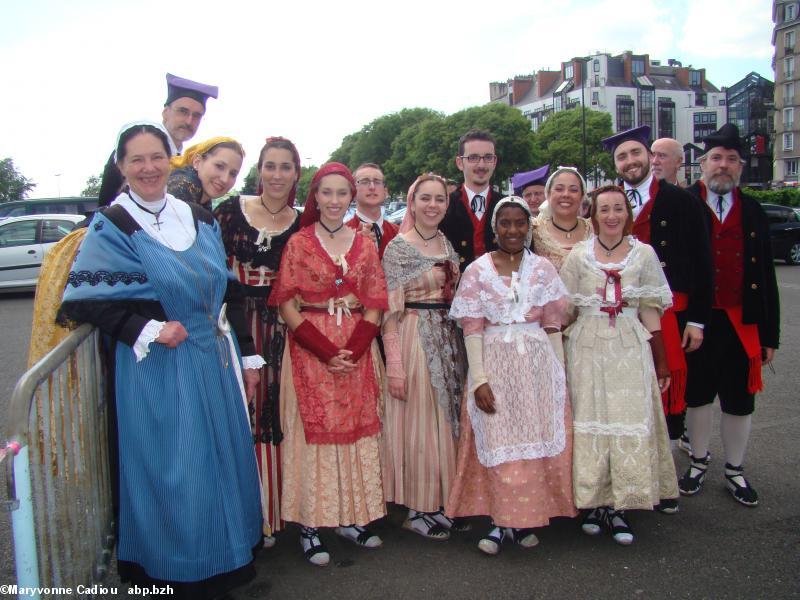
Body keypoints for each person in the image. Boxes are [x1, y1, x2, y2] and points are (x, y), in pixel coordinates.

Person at [57, 121, 262, 599]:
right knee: (177, 472)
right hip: (156, 368)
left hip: (211, 362)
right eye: (137, 160)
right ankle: (175, 573)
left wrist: (248, 354)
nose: (148, 168)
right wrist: (148, 329)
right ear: (121, 166)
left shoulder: (199, 217)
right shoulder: (113, 223)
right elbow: (85, 301)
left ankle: (222, 563)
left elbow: (228, 290)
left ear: (170, 160)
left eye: (156, 157)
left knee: (218, 465)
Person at [269, 162, 388, 567]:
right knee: (312, 436)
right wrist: (324, 350)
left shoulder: (366, 243)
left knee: (353, 434)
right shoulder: (299, 243)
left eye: (342, 193)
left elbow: (375, 303)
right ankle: (310, 526)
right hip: (310, 348)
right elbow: (287, 304)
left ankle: (350, 518)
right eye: (327, 192)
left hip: (356, 348)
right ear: (315, 197)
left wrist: (353, 351)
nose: (334, 201)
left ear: (351, 196)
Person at [447, 196, 576, 555]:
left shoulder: (543, 269)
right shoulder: (477, 271)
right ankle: (499, 522)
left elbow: (552, 325)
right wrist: (479, 380)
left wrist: (559, 376)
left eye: (520, 222)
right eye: (505, 223)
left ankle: (523, 521)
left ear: (529, 227)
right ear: (495, 228)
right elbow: (472, 329)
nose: (513, 230)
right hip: (496, 366)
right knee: (498, 442)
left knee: (532, 443)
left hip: (536, 367)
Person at [559, 185, 679, 545]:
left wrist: (662, 362)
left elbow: (650, 312)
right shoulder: (578, 256)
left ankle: (620, 505)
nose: (611, 216)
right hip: (587, 345)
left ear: (628, 214)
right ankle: (593, 502)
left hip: (628, 345)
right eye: (604, 209)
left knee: (626, 419)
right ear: (593, 216)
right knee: (589, 419)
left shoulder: (644, 254)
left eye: (618, 209)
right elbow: (564, 311)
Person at [601, 126, 713, 495]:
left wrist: (697, 319)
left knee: (666, 400)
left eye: (636, 153)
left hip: (668, 314)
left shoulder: (682, 201)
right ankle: (629, 475)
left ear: (651, 157)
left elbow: (703, 263)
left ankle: (662, 480)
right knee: (627, 398)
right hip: (618, 317)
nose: (630, 161)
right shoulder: (606, 203)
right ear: (616, 165)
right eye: (622, 156)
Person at [679, 124, 780, 507]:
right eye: (717, 158)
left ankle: (735, 469)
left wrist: (770, 334)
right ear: (703, 163)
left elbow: (766, 275)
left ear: (740, 167)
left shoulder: (752, 210)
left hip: (741, 320)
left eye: (732, 160)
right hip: (696, 320)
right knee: (697, 395)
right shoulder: (685, 203)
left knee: (740, 399)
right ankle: (698, 462)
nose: (723, 166)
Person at [213, 136, 303, 546]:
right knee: (240, 411)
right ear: (260, 170)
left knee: (279, 414)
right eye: (270, 166)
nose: (277, 175)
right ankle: (246, 514)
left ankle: (279, 512)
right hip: (237, 324)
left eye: (286, 167)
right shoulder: (231, 212)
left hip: (285, 327)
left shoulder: (302, 222)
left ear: (296, 173)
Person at [381, 173, 467, 541]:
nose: (433, 205)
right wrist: (395, 364)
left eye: (439, 199)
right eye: (425, 198)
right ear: (412, 203)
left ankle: (439, 501)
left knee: (444, 423)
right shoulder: (399, 248)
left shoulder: (445, 243)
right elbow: (389, 312)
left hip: (448, 337)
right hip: (415, 337)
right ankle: (417, 510)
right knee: (419, 424)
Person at [98, 74, 219, 205]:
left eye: (197, 115)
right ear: (165, 113)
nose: (189, 121)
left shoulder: (188, 161)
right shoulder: (133, 149)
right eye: (183, 111)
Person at [439, 129, 502, 271]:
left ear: (494, 162)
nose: (481, 165)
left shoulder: (508, 206)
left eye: (488, 157)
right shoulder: (444, 207)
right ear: (459, 163)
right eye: (473, 157)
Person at [531, 166, 593, 271]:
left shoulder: (595, 230)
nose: (566, 194)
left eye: (573, 190)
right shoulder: (534, 230)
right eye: (559, 189)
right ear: (548, 194)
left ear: (582, 196)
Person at [168, 137, 245, 210]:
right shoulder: (183, 185)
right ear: (197, 162)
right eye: (219, 166)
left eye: (233, 174)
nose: (225, 179)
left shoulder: (203, 199)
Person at [346, 163, 398, 259]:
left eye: (377, 182)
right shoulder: (341, 234)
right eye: (364, 182)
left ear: (385, 192)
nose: (372, 187)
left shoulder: (399, 233)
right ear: (353, 192)